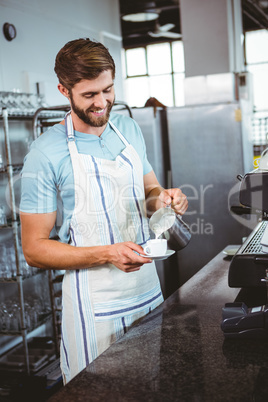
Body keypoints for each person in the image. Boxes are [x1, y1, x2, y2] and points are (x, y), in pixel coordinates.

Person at [19, 38, 188, 384]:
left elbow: (149, 193)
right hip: (94, 308)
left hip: (146, 290)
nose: (102, 102)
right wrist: (107, 254)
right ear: (64, 90)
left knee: (149, 386)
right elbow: (34, 249)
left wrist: (166, 199)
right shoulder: (45, 152)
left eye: (108, 90)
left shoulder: (127, 130)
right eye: (89, 95)